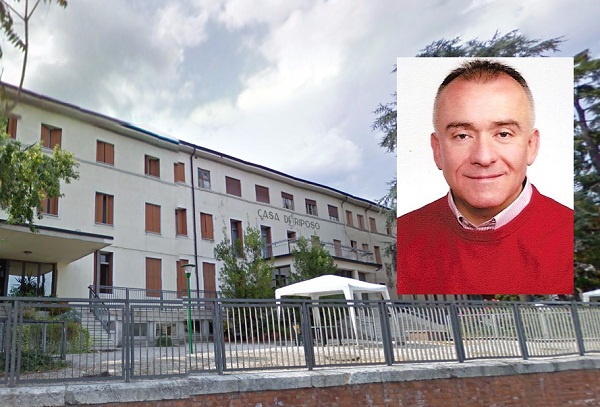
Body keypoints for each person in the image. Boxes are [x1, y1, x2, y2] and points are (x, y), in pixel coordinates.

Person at [396, 59, 573, 295]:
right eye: (462, 136)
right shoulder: (404, 236)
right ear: (437, 151)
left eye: (503, 134)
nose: (483, 157)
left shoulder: (571, 234)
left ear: (531, 146)